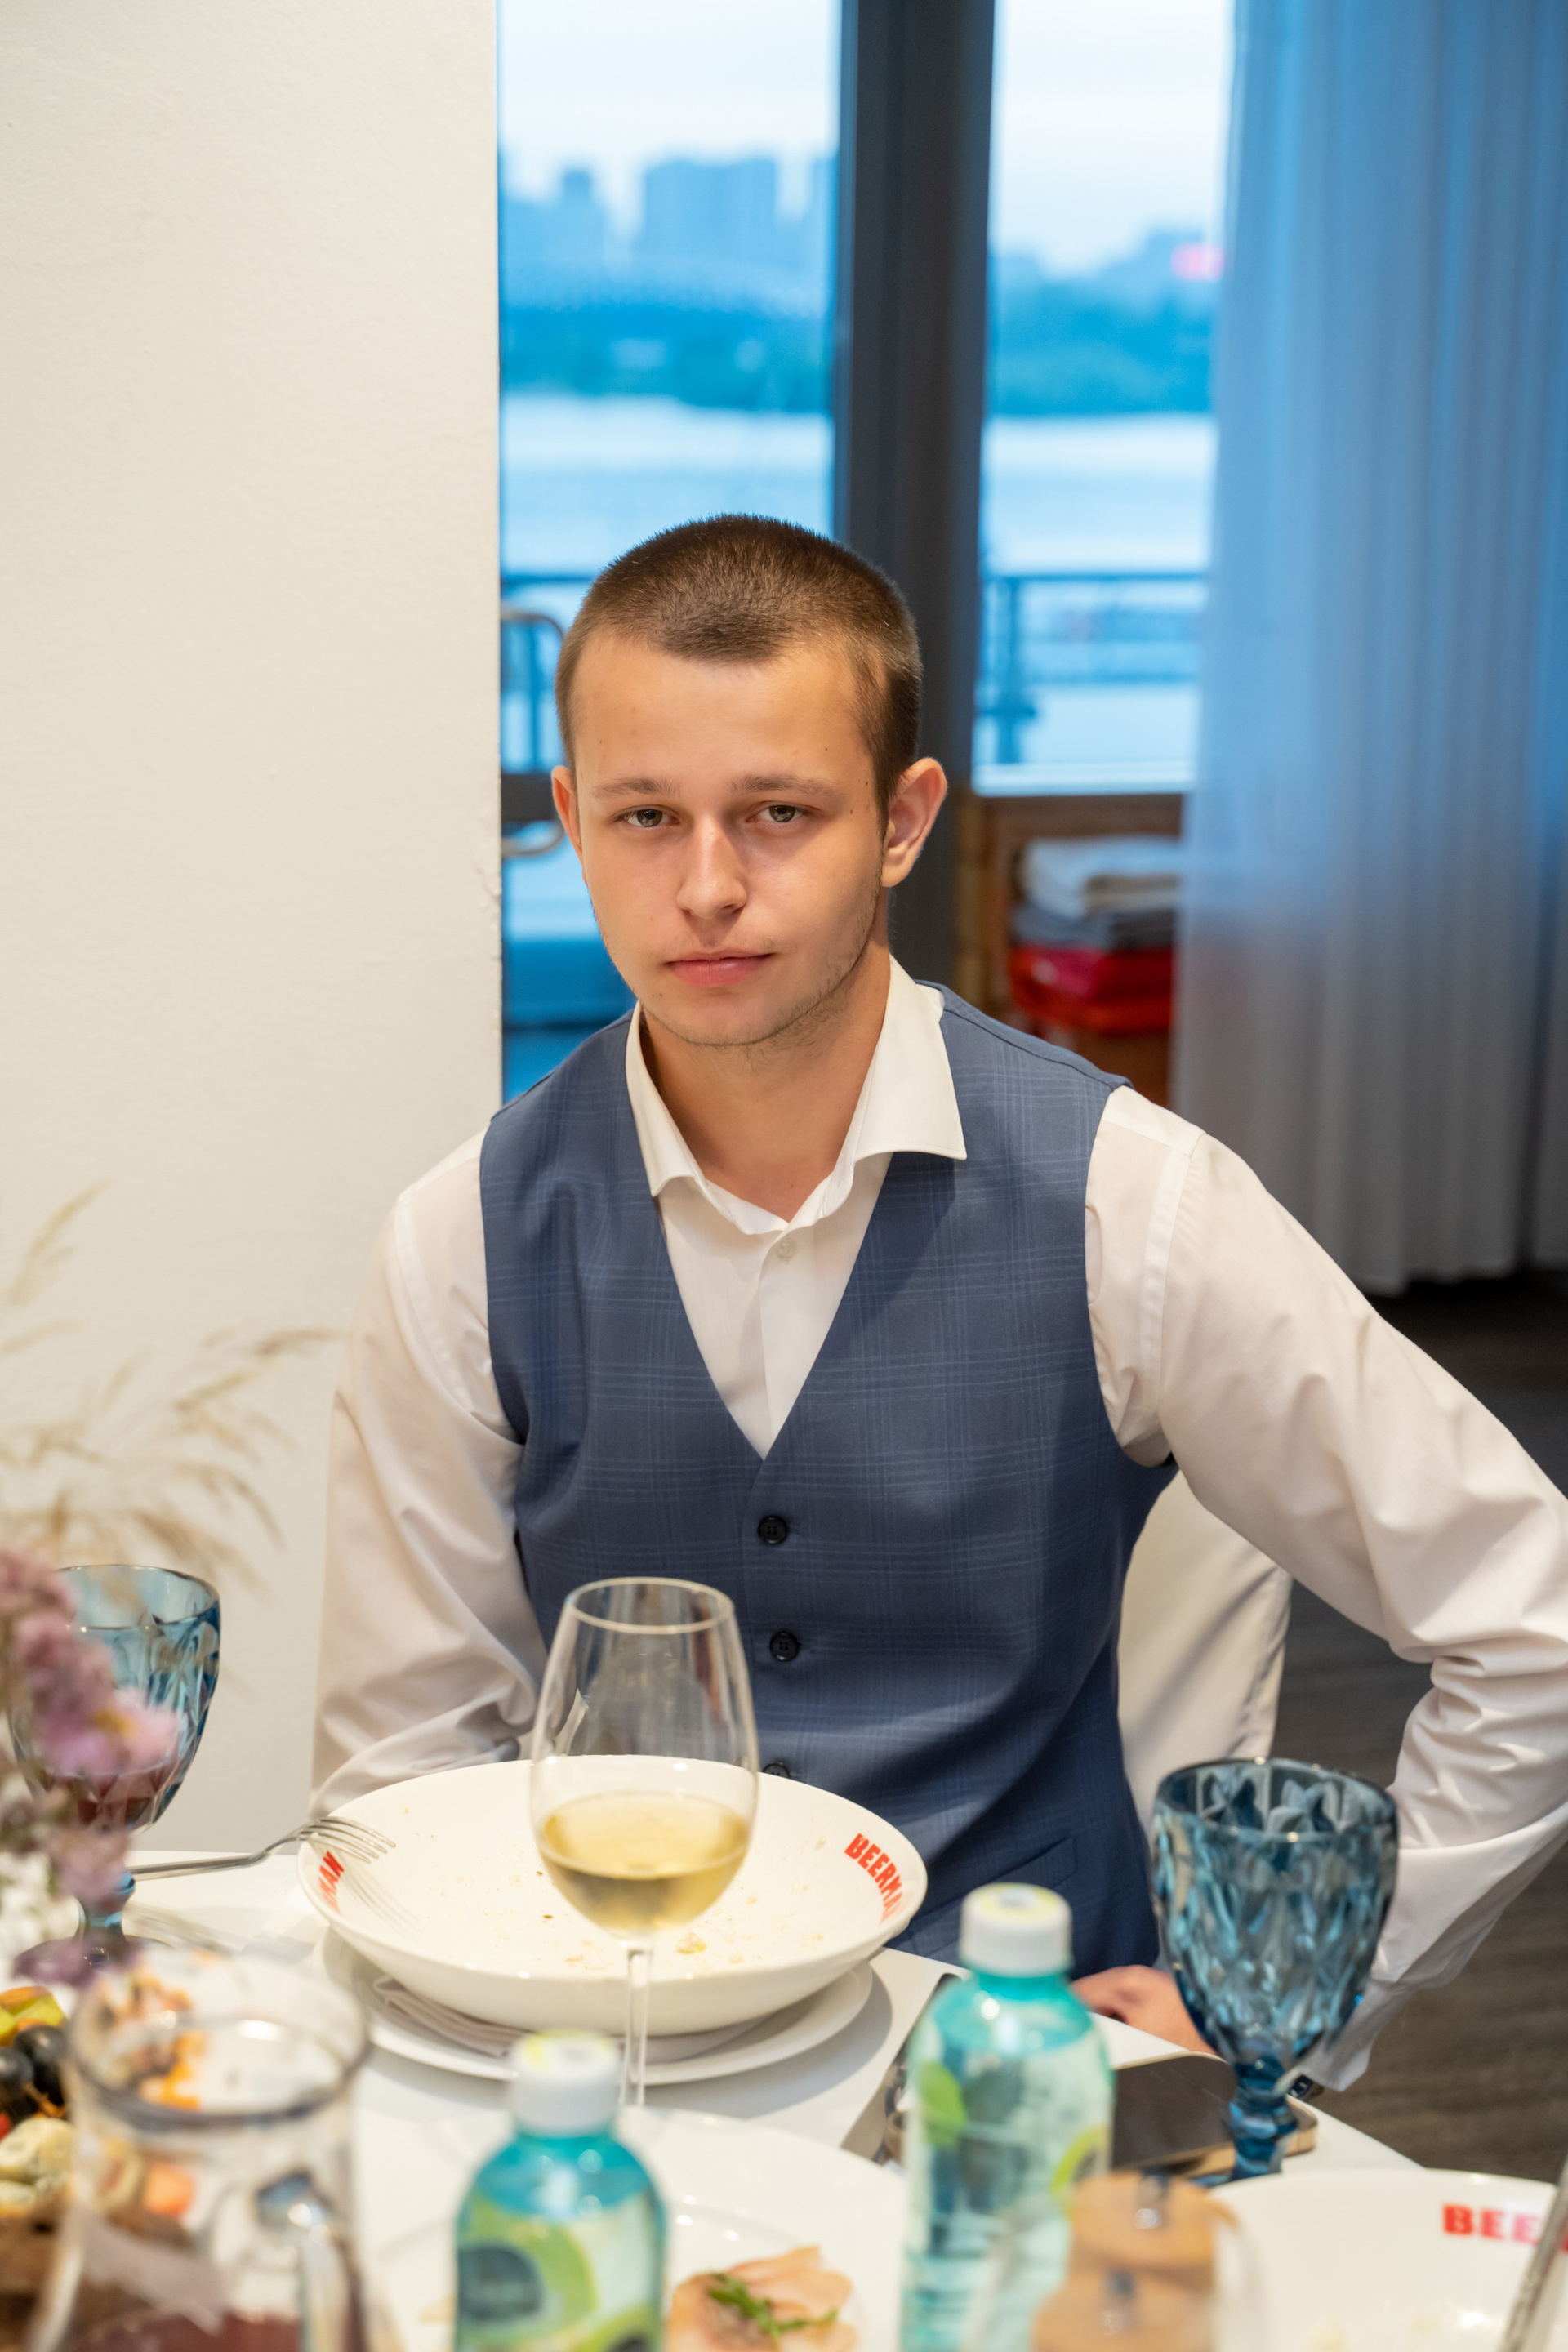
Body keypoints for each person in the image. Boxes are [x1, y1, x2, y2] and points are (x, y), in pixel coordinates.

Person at [314, 515, 1568, 2084]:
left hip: (1023, 2091)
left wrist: (1299, 1996)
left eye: (779, 813)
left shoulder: (1130, 1204)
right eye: (645, 817)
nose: (706, 886)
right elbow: (402, 1783)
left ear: (902, 823)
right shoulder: (460, 1240)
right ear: (570, 818)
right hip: (602, 2078)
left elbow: (1534, 1619)